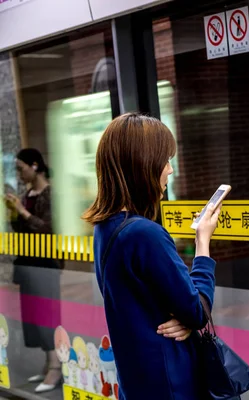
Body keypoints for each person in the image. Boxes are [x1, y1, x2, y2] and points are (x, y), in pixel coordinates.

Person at [82, 113, 220, 399]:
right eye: (165, 160)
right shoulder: (145, 235)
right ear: (142, 166)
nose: (170, 169)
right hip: (170, 383)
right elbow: (197, 311)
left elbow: (143, 303)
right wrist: (202, 242)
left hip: (137, 381)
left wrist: (182, 317)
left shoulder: (106, 228)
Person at [6, 148, 63, 393]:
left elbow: (47, 229)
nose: (19, 175)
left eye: (21, 168)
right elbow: (22, 229)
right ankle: (47, 364)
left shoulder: (51, 193)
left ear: (35, 165)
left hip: (46, 262)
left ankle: (55, 368)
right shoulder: (28, 193)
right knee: (33, 315)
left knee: (46, 314)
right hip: (29, 261)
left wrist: (22, 210)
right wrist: (13, 211)